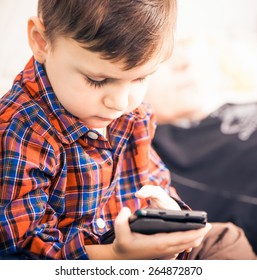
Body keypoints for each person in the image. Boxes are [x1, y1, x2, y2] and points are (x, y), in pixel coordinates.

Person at [0, 0, 255, 260]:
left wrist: (172, 216)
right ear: (41, 41)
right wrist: (115, 257)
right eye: (97, 80)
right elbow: (19, 251)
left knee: (225, 240)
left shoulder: (131, 114)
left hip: (134, 242)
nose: (120, 103)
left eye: (139, 78)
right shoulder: (20, 129)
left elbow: (155, 179)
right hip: (81, 260)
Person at [145, 34, 257, 254]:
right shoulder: (149, 154)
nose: (183, 62)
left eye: (181, 46)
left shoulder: (225, 104)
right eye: (161, 56)